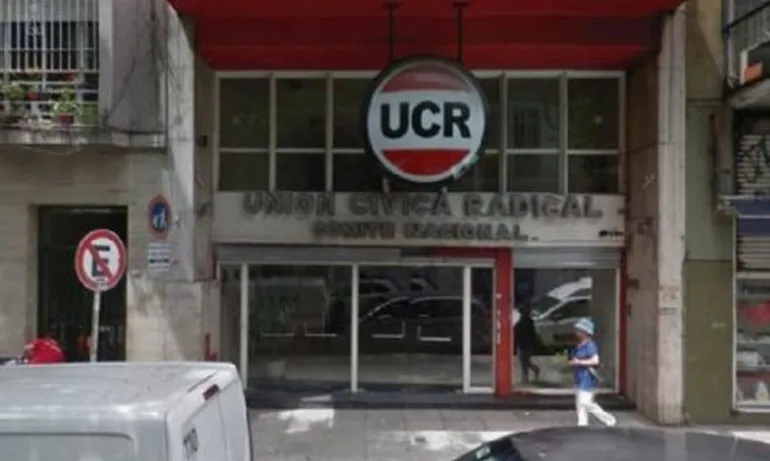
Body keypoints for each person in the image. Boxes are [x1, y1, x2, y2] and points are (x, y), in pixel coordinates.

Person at [568, 318, 616, 427]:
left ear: (585, 332)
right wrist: (574, 362)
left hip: (587, 377)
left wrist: (579, 362)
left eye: (579, 330)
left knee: (585, 402)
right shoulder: (579, 345)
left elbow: (595, 360)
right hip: (579, 377)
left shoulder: (590, 345)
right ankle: (582, 424)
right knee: (580, 404)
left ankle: (608, 419)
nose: (577, 332)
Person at [513, 305, 541, 384]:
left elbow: (517, 335)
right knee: (524, 361)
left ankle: (525, 378)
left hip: (524, 345)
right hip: (526, 344)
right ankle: (534, 370)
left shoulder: (522, 323)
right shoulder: (528, 322)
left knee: (524, 361)